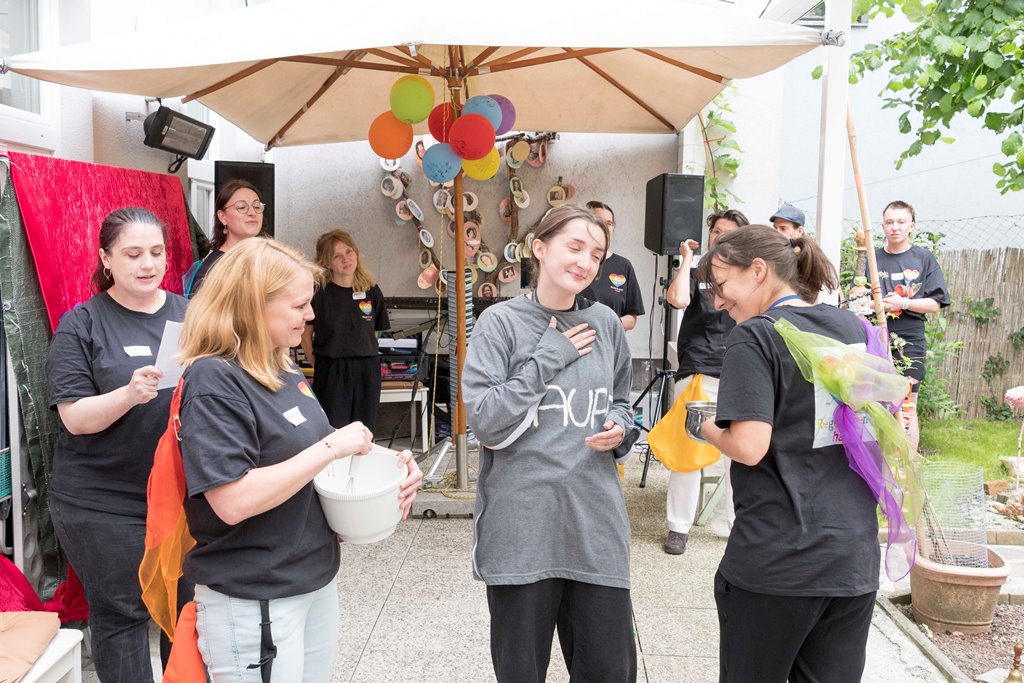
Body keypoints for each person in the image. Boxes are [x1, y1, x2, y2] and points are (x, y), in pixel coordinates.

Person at [177, 238, 422, 680]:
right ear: (253, 305)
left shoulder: (281, 367)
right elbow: (232, 500)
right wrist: (331, 447)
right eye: (298, 306)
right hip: (257, 593)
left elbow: (321, 446)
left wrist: (394, 462)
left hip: (312, 577)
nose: (310, 316)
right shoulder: (213, 379)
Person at [696, 226, 885, 682]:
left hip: (777, 561)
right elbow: (889, 432)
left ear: (758, 271)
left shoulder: (755, 337)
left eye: (721, 286)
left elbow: (749, 445)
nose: (719, 302)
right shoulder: (854, 328)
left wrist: (704, 427)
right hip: (851, 559)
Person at [463, 205, 641, 683]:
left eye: (596, 253)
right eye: (575, 247)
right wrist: (549, 357)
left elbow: (624, 401)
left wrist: (622, 428)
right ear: (539, 249)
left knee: (610, 671)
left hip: (595, 524)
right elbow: (485, 420)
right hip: (522, 530)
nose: (585, 262)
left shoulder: (606, 322)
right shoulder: (499, 323)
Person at [45, 207, 189, 682]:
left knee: (184, 612)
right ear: (106, 258)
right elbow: (75, 419)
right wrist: (128, 395)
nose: (147, 264)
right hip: (102, 501)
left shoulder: (190, 315)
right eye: (132, 254)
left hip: (177, 493)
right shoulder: (82, 324)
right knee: (124, 613)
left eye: (156, 252)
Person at [661, 208, 749, 555]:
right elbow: (678, 300)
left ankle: (733, 524)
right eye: (716, 231)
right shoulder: (697, 272)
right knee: (688, 450)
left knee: (739, 454)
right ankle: (678, 527)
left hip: (740, 371)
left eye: (729, 232)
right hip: (698, 370)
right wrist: (687, 259)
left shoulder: (749, 275)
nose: (721, 237)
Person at [875, 200, 950, 453]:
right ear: (882, 226)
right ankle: (883, 471)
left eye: (900, 222)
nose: (894, 227)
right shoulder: (873, 260)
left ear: (911, 226)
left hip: (909, 340)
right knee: (878, 406)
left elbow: (936, 303)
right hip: (876, 338)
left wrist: (903, 302)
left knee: (907, 405)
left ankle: (908, 471)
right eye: (889, 222)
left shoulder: (922, 258)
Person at [300, 229, 390, 431]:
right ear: (327, 262)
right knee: (334, 430)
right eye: (337, 256)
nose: (346, 259)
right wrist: (318, 364)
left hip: (367, 368)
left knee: (365, 430)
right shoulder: (318, 293)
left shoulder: (372, 290)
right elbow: (305, 335)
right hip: (332, 369)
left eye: (349, 252)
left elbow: (374, 332)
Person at [185, 178, 266, 297]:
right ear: (222, 217)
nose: (252, 213)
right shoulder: (213, 269)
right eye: (242, 207)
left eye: (257, 206)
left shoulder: (266, 258)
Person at [579, 200, 646, 330]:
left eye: (609, 223)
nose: (604, 227)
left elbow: (632, 318)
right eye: (599, 221)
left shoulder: (623, 266)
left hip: (611, 345)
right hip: (576, 343)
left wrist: (608, 325)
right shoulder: (575, 262)